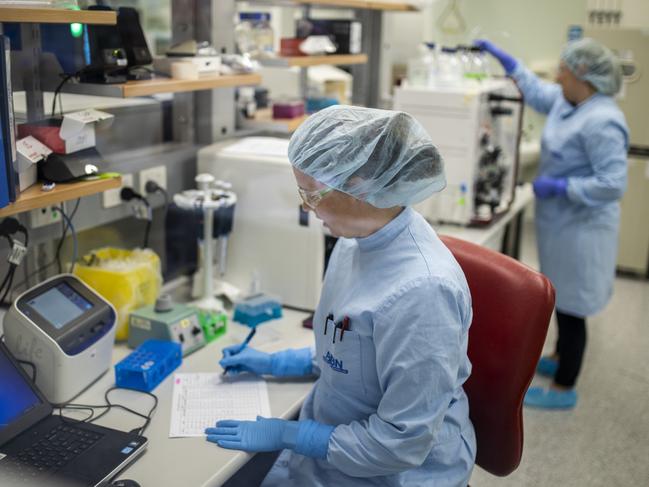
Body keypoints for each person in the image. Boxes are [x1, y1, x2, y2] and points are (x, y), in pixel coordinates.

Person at [204, 105, 477, 486]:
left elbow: (399, 444)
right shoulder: (356, 240)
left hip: (394, 472)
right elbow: (350, 350)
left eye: (311, 194)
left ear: (361, 186)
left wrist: (290, 435)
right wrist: (275, 363)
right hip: (335, 445)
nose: (305, 206)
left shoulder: (423, 292)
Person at [476, 38, 628, 409]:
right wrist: (510, 63)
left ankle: (564, 387)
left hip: (583, 228)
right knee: (562, 295)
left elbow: (612, 184)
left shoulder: (602, 120)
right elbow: (536, 91)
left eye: (564, 68)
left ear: (583, 76)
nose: (558, 75)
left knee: (574, 308)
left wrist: (562, 186)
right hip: (562, 224)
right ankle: (559, 357)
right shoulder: (569, 101)